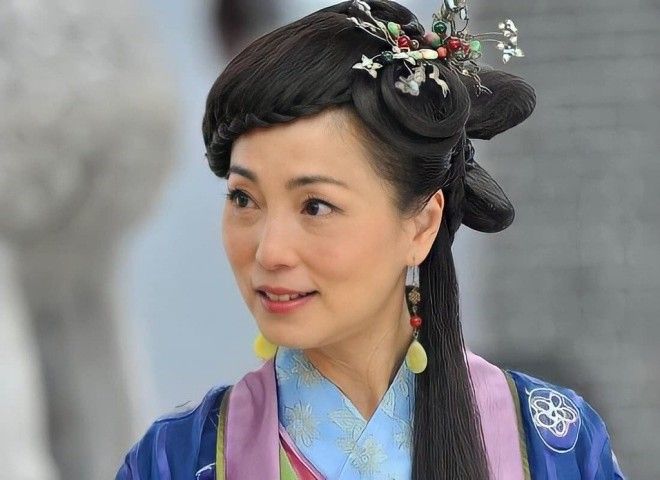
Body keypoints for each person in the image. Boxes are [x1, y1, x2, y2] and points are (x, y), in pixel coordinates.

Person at [115, 1, 626, 478]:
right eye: (244, 199)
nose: (269, 252)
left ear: (421, 224)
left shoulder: (550, 445)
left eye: (315, 206)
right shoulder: (177, 459)